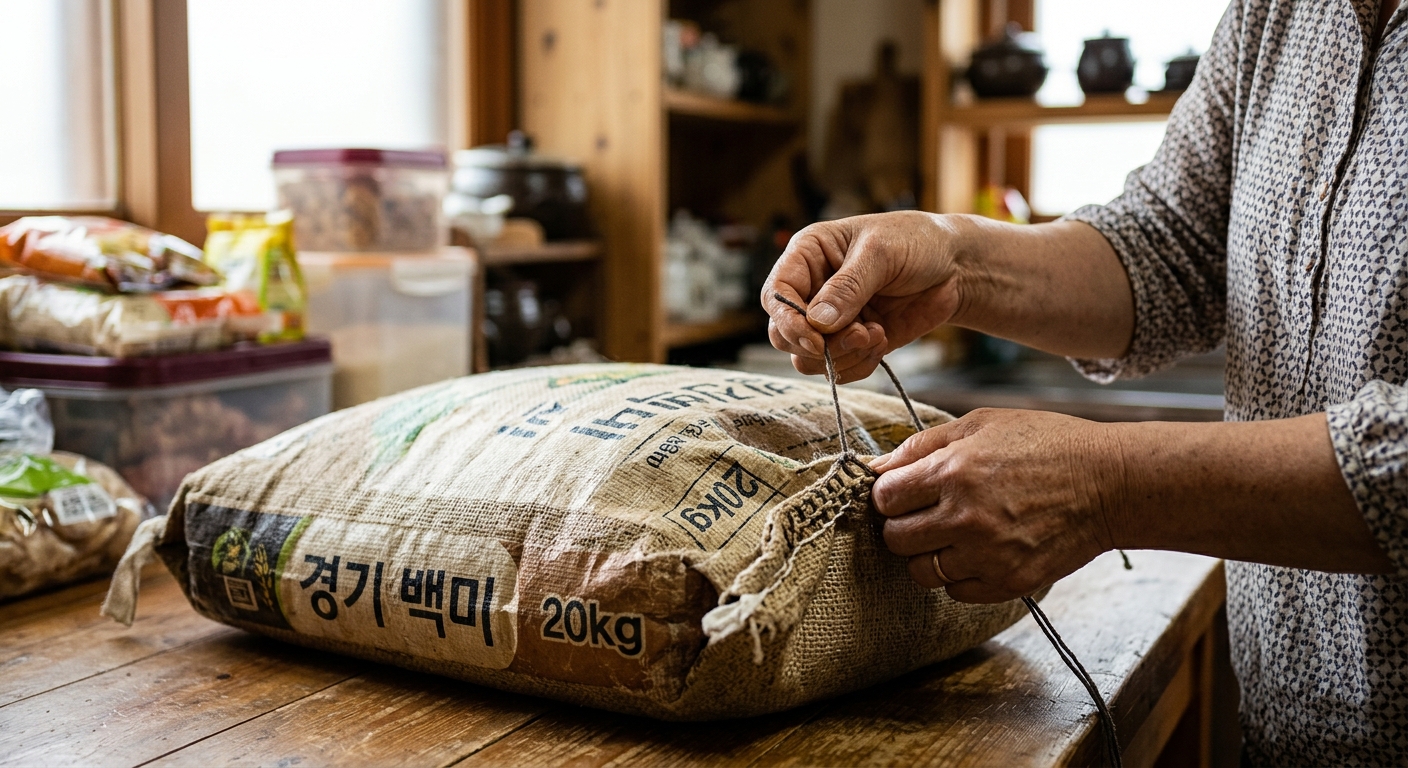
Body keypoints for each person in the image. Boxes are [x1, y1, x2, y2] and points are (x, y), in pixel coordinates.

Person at [762, 1, 1406, 764]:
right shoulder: (1282, 13)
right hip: (1285, 733)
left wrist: (1108, 489)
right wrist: (951, 254)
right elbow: (1171, 246)